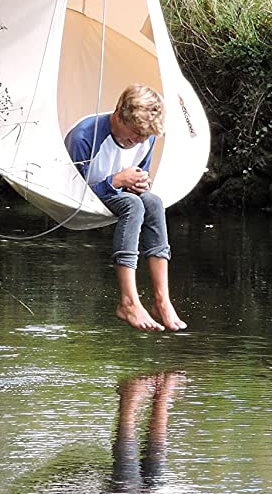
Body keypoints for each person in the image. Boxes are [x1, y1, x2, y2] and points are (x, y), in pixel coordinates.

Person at [65, 84, 187, 332]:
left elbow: (141, 173)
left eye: (143, 139)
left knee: (152, 202)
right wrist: (117, 181)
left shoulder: (146, 136)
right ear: (119, 115)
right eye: (132, 137)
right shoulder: (84, 136)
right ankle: (128, 301)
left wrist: (142, 183)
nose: (138, 143)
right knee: (133, 205)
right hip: (88, 195)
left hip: (118, 194)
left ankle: (162, 300)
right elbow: (70, 193)